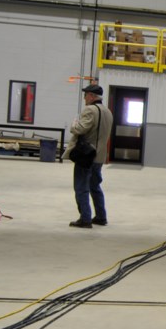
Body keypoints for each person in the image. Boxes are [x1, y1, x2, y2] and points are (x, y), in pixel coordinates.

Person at [66, 84, 113, 228]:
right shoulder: (108, 112)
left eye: (86, 95)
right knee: (95, 186)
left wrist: (74, 124)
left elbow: (80, 129)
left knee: (81, 187)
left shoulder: (90, 110)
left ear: (92, 96)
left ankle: (85, 219)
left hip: (86, 156)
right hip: (99, 157)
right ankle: (100, 216)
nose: (85, 98)